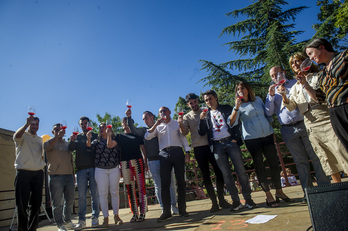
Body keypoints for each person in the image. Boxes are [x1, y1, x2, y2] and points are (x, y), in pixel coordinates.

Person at [279, 52, 348, 183]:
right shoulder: (294, 87)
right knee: (325, 156)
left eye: (298, 61)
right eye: (293, 63)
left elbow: (321, 97)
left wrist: (305, 83)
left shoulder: (318, 77)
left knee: (340, 149)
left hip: (325, 116)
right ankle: (339, 189)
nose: (295, 64)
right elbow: (292, 107)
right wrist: (283, 96)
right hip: (309, 121)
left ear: (306, 62)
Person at [265, 65, 330, 202]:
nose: (275, 77)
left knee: (317, 156)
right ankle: (308, 193)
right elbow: (269, 112)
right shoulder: (272, 91)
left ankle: (325, 190)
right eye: (272, 75)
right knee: (300, 162)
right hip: (287, 129)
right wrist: (271, 96)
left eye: (277, 73)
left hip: (305, 122)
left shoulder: (295, 83)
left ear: (283, 72)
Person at [230, 81, 291, 208]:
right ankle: (268, 195)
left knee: (274, 163)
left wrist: (271, 129)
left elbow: (267, 115)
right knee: (259, 166)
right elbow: (231, 123)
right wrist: (236, 108)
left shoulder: (257, 99)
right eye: (239, 89)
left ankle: (279, 192)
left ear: (248, 89)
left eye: (243, 88)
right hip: (252, 139)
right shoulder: (238, 105)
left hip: (267, 135)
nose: (241, 90)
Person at [198, 90, 257, 211]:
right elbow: (201, 132)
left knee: (241, 171)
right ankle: (236, 201)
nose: (208, 102)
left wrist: (236, 137)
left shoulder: (226, 108)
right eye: (206, 100)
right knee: (226, 175)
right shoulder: (206, 114)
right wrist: (201, 120)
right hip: (216, 146)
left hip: (230, 141)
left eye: (210, 99)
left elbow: (236, 122)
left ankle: (248, 199)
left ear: (216, 98)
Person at [178, 93, 232, 212]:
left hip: (212, 145)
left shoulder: (207, 111)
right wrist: (180, 123)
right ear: (188, 104)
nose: (193, 104)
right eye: (191, 103)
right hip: (198, 148)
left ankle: (222, 200)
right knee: (205, 176)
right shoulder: (187, 117)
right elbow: (184, 133)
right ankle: (214, 203)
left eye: (195, 102)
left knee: (219, 172)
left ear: (198, 101)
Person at [126, 109, 179, 215]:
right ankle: (164, 207)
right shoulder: (143, 131)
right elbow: (133, 130)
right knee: (158, 185)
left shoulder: (161, 126)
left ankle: (173, 206)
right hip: (153, 160)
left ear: (152, 117)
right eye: (143, 119)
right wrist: (129, 118)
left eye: (146, 118)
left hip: (165, 158)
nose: (144, 120)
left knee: (171, 184)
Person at [145, 106, 191, 222]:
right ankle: (166, 212)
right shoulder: (158, 126)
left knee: (180, 182)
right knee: (165, 184)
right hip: (164, 154)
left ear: (169, 112)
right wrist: (156, 124)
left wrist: (187, 152)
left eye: (164, 110)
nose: (162, 113)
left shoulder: (176, 123)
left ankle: (182, 209)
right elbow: (147, 136)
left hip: (177, 151)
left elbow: (183, 137)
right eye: (160, 111)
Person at [305, 38, 348, 152]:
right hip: (335, 113)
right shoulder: (322, 74)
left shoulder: (344, 56)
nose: (310, 58)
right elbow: (320, 98)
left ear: (321, 47)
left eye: (311, 53)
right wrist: (304, 84)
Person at [107, 117, 147, 222]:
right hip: (125, 163)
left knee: (141, 187)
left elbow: (143, 150)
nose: (125, 124)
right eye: (123, 122)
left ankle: (142, 212)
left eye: (127, 122)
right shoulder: (119, 136)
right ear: (121, 124)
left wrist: (145, 163)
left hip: (138, 161)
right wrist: (108, 135)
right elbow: (110, 145)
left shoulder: (137, 135)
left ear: (132, 123)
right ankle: (134, 213)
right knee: (129, 188)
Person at [13, 115, 46, 231]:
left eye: (36, 124)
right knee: (22, 205)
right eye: (32, 124)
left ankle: (32, 229)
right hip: (23, 173)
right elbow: (16, 136)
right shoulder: (22, 135)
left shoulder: (40, 140)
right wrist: (26, 124)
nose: (35, 126)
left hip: (38, 174)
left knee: (36, 205)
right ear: (29, 124)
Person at [87, 123, 122, 227]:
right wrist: (88, 139)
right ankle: (105, 218)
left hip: (114, 169)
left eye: (103, 127)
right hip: (100, 170)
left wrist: (109, 135)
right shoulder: (96, 141)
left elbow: (113, 149)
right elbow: (89, 147)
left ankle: (116, 216)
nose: (101, 129)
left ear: (108, 128)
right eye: (100, 127)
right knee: (103, 194)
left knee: (115, 192)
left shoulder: (116, 139)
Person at [68, 117, 99, 229]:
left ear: (89, 124)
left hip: (93, 168)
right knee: (81, 196)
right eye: (82, 124)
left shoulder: (95, 135)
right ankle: (82, 220)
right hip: (80, 170)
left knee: (95, 194)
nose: (84, 125)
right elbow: (70, 149)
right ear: (80, 125)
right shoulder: (77, 137)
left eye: (86, 123)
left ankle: (95, 218)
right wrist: (71, 140)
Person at [44, 123, 76, 231]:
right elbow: (46, 147)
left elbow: (71, 161)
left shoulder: (68, 144)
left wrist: (73, 175)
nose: (59, 131)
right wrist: (57, 136)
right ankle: (59, 224)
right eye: (56, 130)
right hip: (55, 176)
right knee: (57, 203)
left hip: (69, 176)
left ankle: (67, 221)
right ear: (52, 132)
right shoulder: (49, 143)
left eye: (60, 129)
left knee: (70, 200)